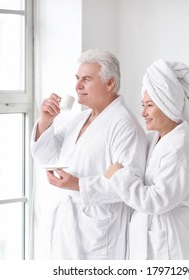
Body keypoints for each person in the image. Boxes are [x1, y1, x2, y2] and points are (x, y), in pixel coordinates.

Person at [30, 49, 147, 260]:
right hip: (67, 228)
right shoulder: (79, 120)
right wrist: (46, 121)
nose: (77, 86)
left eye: (86, 79)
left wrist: (78, 184)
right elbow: (46, 157)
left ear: (110, 83)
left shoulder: (124, 126)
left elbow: (130, 186)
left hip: (100, 234)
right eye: (77, 78)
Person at [103, 59, 189, 259]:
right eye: (143, 105)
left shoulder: (179, 147)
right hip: (154, 230)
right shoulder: (154, 140)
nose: (143, 112)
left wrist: (119, 176)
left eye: (149, 105)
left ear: (167, 105)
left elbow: (157, 200)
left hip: (171, 236)